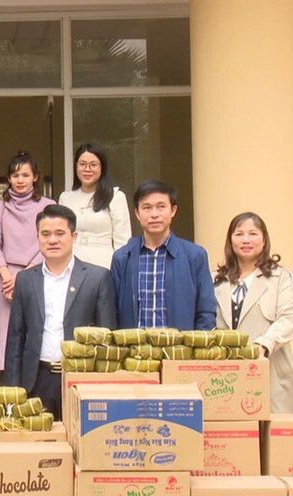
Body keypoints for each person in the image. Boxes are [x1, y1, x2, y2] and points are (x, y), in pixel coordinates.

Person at [3, 205, 117, 419]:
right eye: (45, 234)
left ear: (74, 236)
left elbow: (107, 338)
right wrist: (11, 391)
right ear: (37, 237)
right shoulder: (26, 280)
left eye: (59, 233)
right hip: (36, 379)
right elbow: (16, 338)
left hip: (80, 379)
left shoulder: (97, 277)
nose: (52, 240)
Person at [213, 212, 293, 413]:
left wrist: (263, 346)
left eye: (253, 234)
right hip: (226, 376)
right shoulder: (215, 280)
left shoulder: (281, 277)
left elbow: (288, 318)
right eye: (239, 234)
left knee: (273, 436)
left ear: (264, 240)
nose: (246, 240)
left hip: (270, 369)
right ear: (230, 240)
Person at [110, 179, 216, 330]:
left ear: (173, 210)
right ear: (137, 213)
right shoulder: (123, 257)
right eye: (147, 208)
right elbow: (112, 311)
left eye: (161, 207)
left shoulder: (195, 256)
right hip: (135, 351)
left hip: (179, 351)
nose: (154, 214)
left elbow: (206, 311)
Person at [0, 151, 55, 372]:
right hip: (6, 276)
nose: (20, 180)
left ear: (35, 177)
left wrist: (23, 274)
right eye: (15, 175)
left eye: (25, 175)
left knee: (35, 326)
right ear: (8, 178)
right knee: (7, 331)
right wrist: (6, 274)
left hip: (37, 273)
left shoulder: (48, 205)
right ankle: (8, 380)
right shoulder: (0, 207)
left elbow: (47, 242)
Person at [59, 143, 131, 269]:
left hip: (104, 265)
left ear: (102, 167)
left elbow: (123, 242)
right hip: (70, 265)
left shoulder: (115, 196)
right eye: (82, 164)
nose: (87, 169)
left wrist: (120, 269)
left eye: (93, 165)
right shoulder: (65, 198)